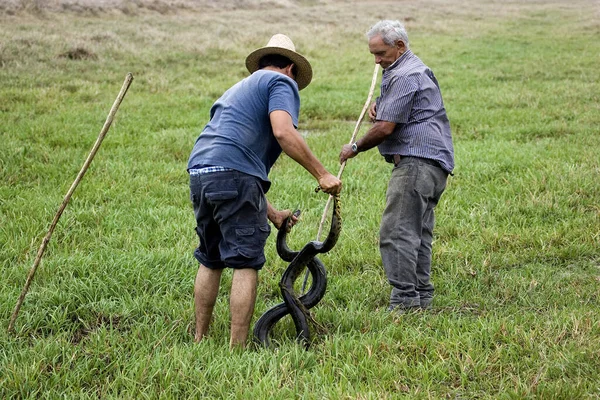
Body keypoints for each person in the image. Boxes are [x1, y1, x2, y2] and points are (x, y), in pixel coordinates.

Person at [187, 34, 342, 348]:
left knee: (211, 258)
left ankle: (199, 338)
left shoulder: (235, 91)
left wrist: (271, 213)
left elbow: (231, 163)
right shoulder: (280, 83)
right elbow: (283, 132)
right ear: (289, 68)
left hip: (200, 172)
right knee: (245, 263)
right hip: (233, 176)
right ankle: (237, 349)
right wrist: (322, 173)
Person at [339, 20, 454, 312]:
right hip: (433, 164)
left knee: (397, 232)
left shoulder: (404, 74)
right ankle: (421, 298)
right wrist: (383, 103)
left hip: (415, 164)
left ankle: (404, 302)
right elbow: (398, 113)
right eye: (373, 55)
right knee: (418, 234)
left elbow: (386, 128)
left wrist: (354, 147)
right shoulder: (410, 69)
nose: (376, 61)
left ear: (400, 46)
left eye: (380, 53)